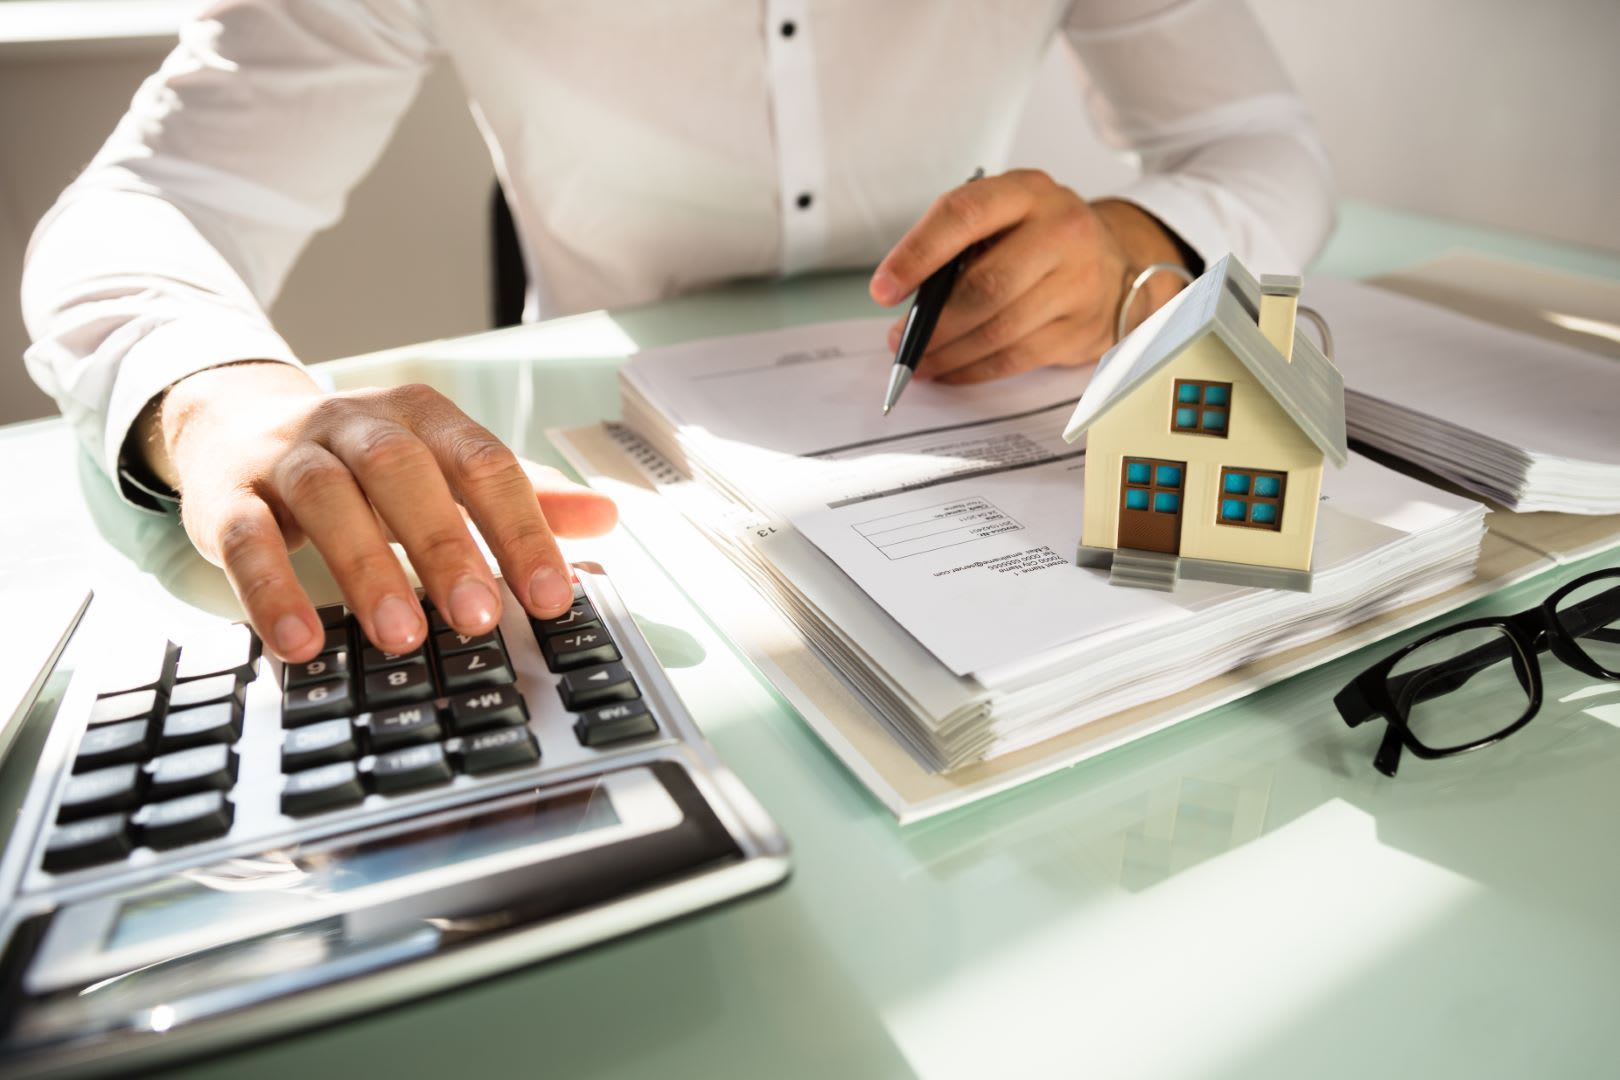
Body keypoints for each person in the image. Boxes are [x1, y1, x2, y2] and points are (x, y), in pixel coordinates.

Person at [21, 1, 1334, 664]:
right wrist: (207, 392)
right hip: (610, 513)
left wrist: (1142, 239)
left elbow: (1262, 145)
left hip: (988, 435)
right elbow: (155, 202)